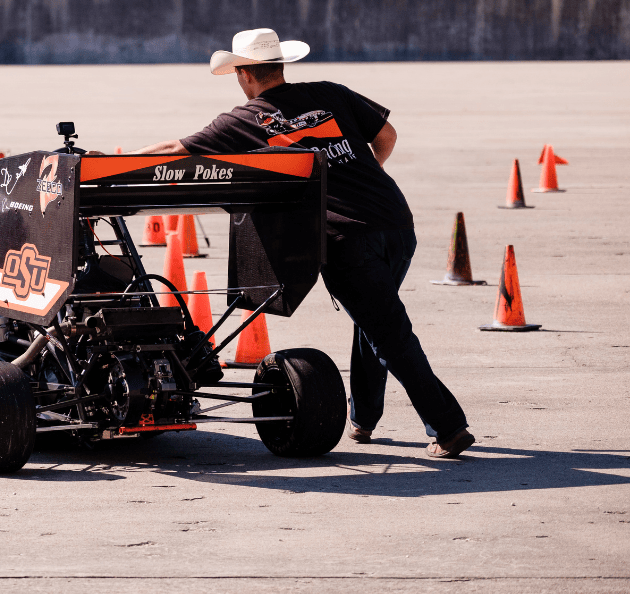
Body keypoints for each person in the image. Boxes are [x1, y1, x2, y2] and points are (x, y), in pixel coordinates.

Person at [130, 28, 474, 459]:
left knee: (390, 335)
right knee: (376, 319)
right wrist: (358, 182)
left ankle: (448, 427)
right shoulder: (330, 92)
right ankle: (364, 418)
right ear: (280, 67)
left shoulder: (244, 120)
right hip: (396, 224)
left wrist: (104, 164)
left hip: (347, 237)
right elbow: (387, 137)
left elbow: (175, 150)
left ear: (243, 74)